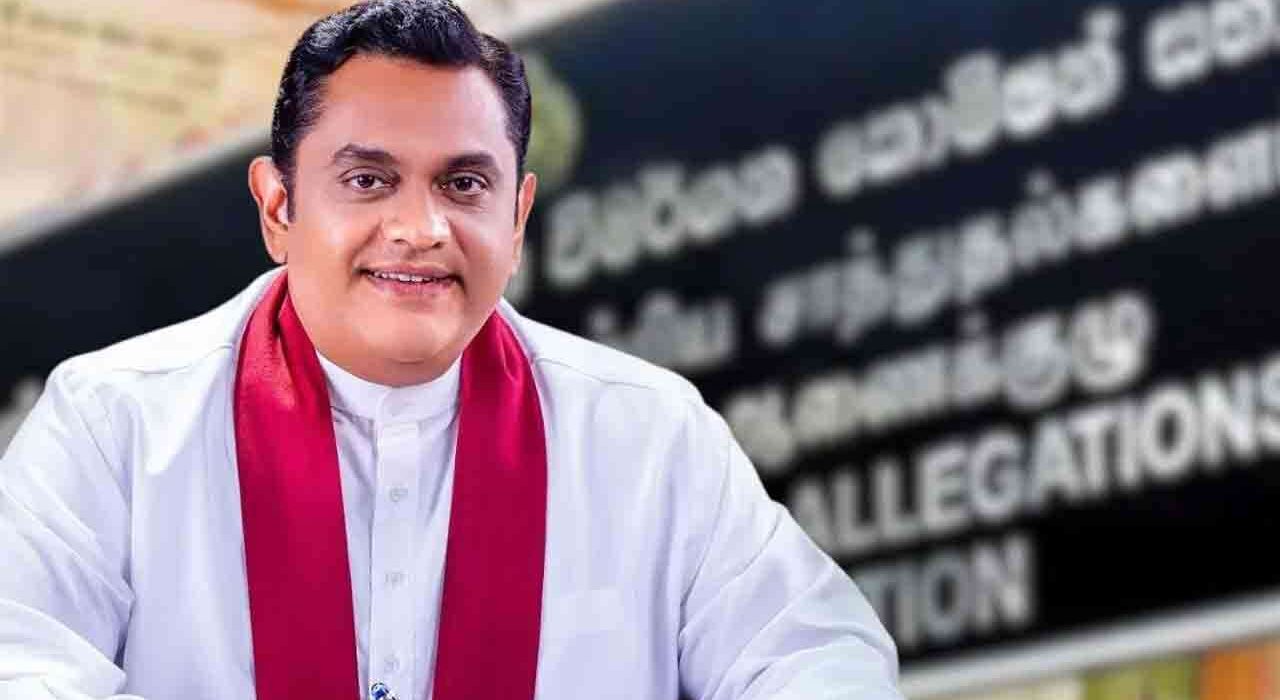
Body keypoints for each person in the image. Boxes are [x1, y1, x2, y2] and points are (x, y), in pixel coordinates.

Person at [0, 1, 903, 699]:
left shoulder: (649, 436)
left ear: (517, 216)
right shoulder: (113, 425)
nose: (421, 228)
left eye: (464, 184)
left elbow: (816, 657)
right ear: (278, 206)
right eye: (368, 179)